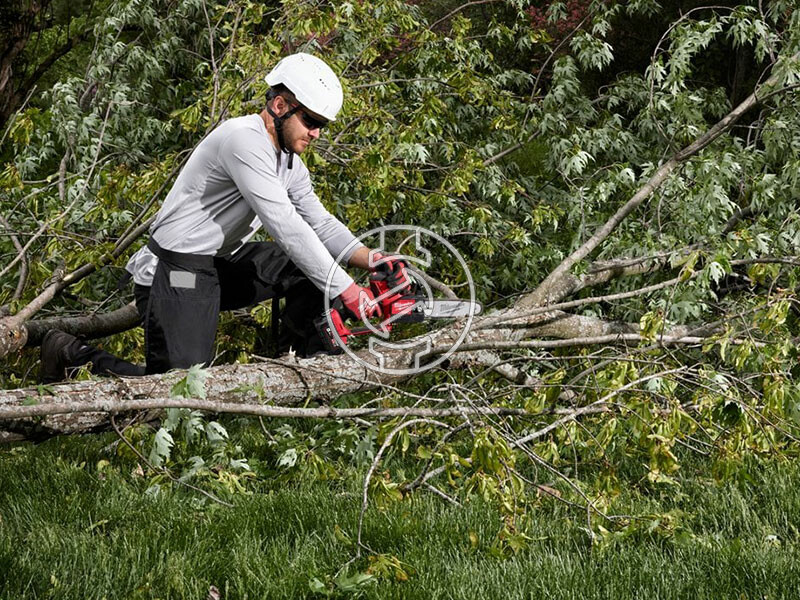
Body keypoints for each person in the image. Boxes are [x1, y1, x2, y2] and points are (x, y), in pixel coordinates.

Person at [40, 52, 409, 383]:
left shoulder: (288, 160)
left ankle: (300, 368)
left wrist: (371, 258)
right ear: (280, 105)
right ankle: (73, 353)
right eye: (311, 120)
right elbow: (285, 225)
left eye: (322, 125)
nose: (315, 132)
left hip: (218, 262)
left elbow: (319, 222)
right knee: (182, 390)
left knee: (307, 268)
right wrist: (346, 288)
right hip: (175, 271)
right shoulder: (243, 141)